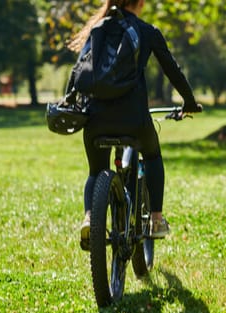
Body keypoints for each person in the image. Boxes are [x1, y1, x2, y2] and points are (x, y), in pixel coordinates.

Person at [67, 0, 202, 250]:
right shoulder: (147, 31)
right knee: (152, 156)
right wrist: (190, 102)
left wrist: (69, 101)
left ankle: (88, 218)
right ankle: (156, 220)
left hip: (95, 119)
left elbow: (78, 70)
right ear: (140, 2)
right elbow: (172, 71)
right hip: (134, 120)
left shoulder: (98, 29)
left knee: (96, 173)